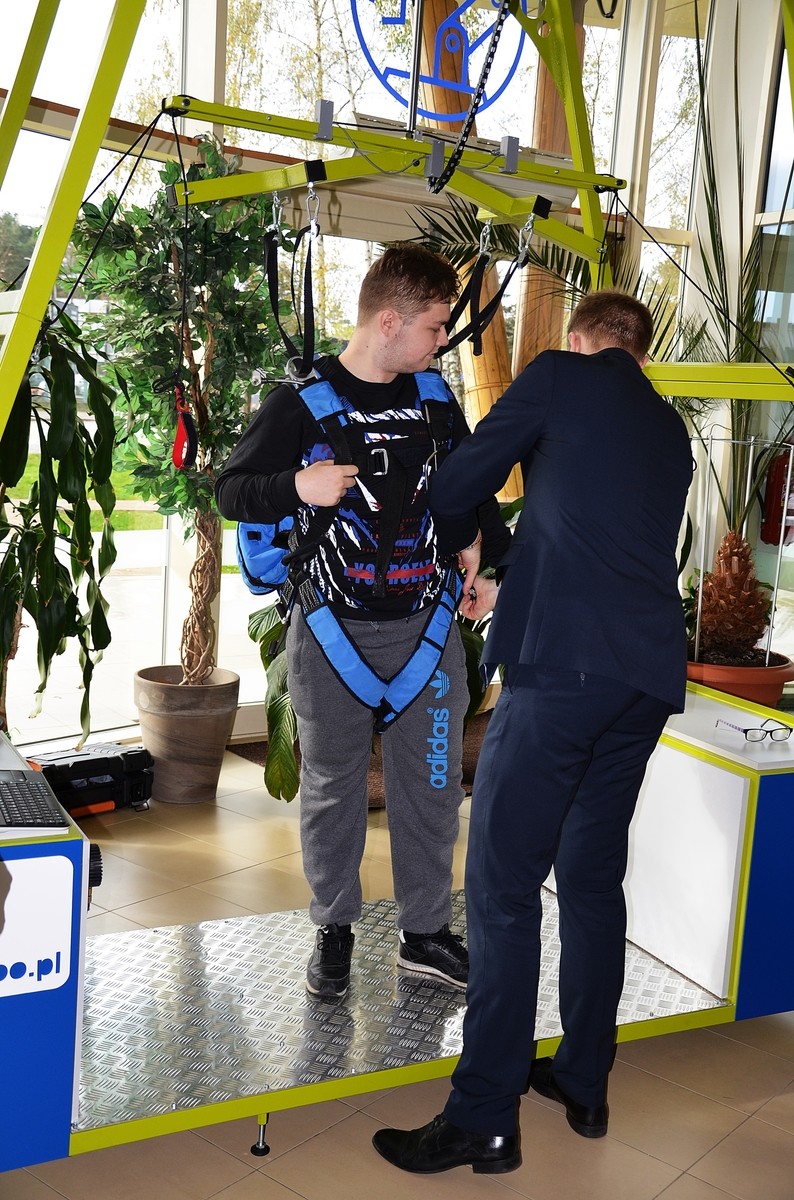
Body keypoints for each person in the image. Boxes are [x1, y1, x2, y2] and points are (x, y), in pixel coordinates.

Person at [372, 289, 693, 1174]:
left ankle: (483, 1115)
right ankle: (583, 1081)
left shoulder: (558, 376)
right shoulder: (669, 430)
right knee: (590, 880)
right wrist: (509, 571)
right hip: (643, 679)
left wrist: (470, 547)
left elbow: (457, 485)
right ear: (639, 352)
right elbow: (594, 537)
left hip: (562, 674)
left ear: (582, 341)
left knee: (502, 889)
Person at [215, 243, 511, 1002]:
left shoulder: (437, 403)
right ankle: (334, 930)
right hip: (331, 633)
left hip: (427, 632)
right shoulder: (298, 405)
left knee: (434, 787)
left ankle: (425, 936)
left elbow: (472, 490)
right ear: (389, 322)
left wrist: (487, 565)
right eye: (434, 327)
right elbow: (231, 491)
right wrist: (298, 484)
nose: (441, 341)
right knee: (333, 787)